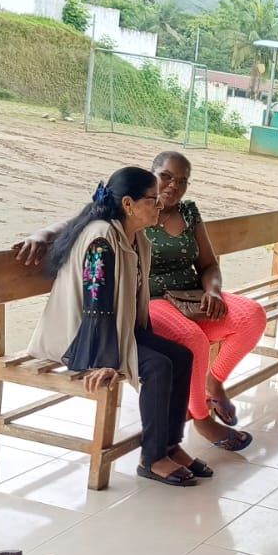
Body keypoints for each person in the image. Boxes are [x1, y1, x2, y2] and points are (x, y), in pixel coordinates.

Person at [16, 151, 256, 452]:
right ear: (148, 179)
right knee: (178, 351)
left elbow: (208, 264)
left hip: (161, 307)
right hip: (127, 315)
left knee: (237, 324)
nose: (172, 187)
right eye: (165, 177)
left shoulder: (164, 221)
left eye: (182, 181)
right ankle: (186, 430)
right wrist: (41, 234)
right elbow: (95, 298)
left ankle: (186, 422)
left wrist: (214, 290)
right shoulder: (115, 226)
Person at [29, 167, 209, 486]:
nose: (159, 205)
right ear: (128, 204)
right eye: (152, 199)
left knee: (181, 357)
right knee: (157, 367)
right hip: (83, 339)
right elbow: (95, 302)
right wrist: (106, 361)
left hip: (116, 329)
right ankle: (152, 458)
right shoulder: (101, 239)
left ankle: (169, 446)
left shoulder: (135, 237)